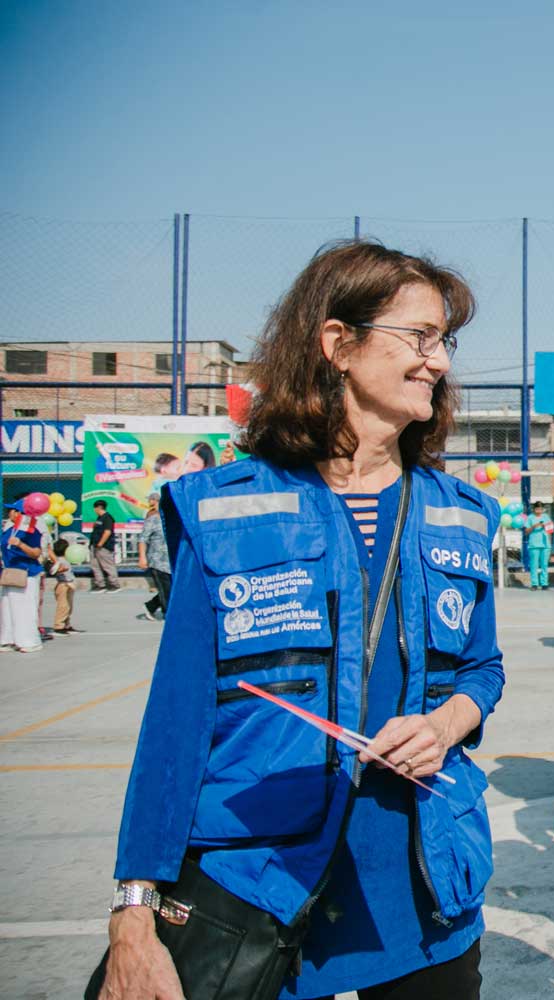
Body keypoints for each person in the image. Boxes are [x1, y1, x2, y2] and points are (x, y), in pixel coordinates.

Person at [98, 240, 506, 1000]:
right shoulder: (225, 510)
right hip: (259, 892)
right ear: (337, 343)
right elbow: (176, 722)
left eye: (444, 340)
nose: (440, 361)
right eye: (419, 337)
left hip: (424, 897)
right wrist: (133, 909)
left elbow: (483, 670)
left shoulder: (466, 514)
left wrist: (446, 725)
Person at [1, 502, 46, 653]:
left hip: (26, 574)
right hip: (9, 573)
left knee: (24, 609)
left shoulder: (31, 532)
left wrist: (20, 544)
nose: (9, 513)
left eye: (12, 511)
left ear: (19, 513)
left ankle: (29, 641)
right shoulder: (9, 530)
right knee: (7, 609)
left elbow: (36, 553)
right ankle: (8, 639)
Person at [136, 491, 171, 622]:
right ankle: (168, 615)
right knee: (166, 590)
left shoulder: (174, 520)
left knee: (172, 589)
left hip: (172, 562)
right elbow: (143, 539)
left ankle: (150, 606)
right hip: (157, 561)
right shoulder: (153, 519)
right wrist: (142, 558)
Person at [47, 538, 80, 635]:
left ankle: (67, 624)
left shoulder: (66, 559)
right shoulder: (58, 560)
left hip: (69, 584)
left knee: (69, 606)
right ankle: (59, 626)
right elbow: (54, 571)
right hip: (63, 584)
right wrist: (61, 570)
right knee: (63, 606)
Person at [88, 499, 122, 592]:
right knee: (96, 566)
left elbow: (107, 532)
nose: (94, 510)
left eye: (95, 508)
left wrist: (100, 543)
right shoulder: (99, 518)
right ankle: (100, 585)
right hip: (95, 546)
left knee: (107, 566)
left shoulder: (107, 518)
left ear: (99, 507)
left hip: (103, 547)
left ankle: (114, 585)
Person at [526, 500, 552, 590]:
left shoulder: (546, 517)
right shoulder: (530, 518)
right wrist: (534, 526)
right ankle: (534, 583)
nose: (539, 511)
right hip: (534, 544)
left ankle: (544, 583)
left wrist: (546, 526)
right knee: (534, 565)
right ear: (534, 509)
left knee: (544, 564)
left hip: (545, 544)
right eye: (537, 509)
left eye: (541, 509)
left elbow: (551, 530)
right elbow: (526, 531)